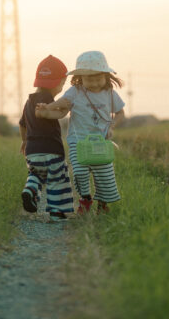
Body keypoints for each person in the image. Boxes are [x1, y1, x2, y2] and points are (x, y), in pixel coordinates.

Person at [35, 50, 125, 214]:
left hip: (101, 143)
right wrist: (48, 107)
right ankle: (85, 198)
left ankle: (103, 204)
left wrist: (111, 127)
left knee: (104, 176)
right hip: (78, 141)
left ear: (106, 76)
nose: (95, 82)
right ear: (79, 78)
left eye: (99, 78)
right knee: (79, 172)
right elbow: (64, 102)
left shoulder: (110, 94)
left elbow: (121, 113)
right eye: (89, 78)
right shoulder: (76, 92)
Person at [19, 55, 76, 222]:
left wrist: (24, 141)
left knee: (36, 174)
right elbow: (61, 109)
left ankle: (30, 190)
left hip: (32, 151)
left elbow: (22, 124)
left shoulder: (28, 102)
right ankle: (57, 213)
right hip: (52, 149)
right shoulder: (49, 101)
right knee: (58, 180)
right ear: (58, 83)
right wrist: (66, 105)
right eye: (62, 84)